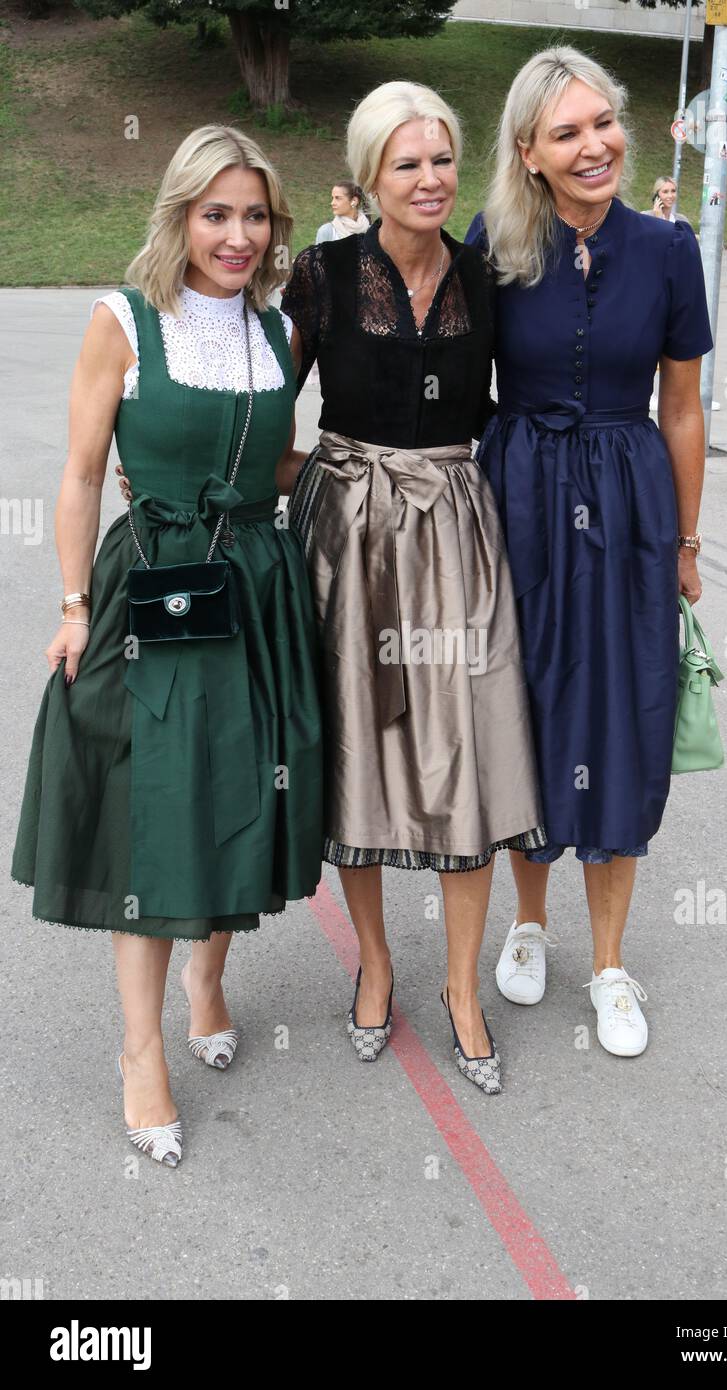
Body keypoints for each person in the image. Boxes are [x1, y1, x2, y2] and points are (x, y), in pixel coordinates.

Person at [12, 125, 324, 1167]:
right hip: (154, 583)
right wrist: (69, 602)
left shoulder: (276, 333)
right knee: (156, 812)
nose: (237, 236)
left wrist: (354, 469)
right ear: (180, 214)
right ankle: (140, 1051)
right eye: (215, 213)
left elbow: (272, 462)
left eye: (254, 216)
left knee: (243, 792)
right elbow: (81, 470)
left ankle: (208, 977)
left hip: (255, 587)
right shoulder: (126, 320)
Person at [282, 82, 546, 1095]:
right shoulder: (321, 273)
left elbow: (527, 403)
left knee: (465, 759)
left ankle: (461, 987)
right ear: (366, 179)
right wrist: (279, 474)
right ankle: (375, 963)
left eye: (441, 159)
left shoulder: (488, 275)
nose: (430, 179)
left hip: (455, 533)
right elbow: (265, 402)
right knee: (358, 750)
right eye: (407, 163)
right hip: (346, 533)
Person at [465, 46, 713, 1057]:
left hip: (626, 501)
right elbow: (436, 373)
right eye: (564, 132)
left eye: (602, 122)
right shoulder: (494, 242)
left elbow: (684, 409)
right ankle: (529, 923)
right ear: (527, 151)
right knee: (523, 713)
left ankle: (609, 963)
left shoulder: (665, 248)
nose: (593, 144)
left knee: (619, 716)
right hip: (516, 494)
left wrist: (687, 542)